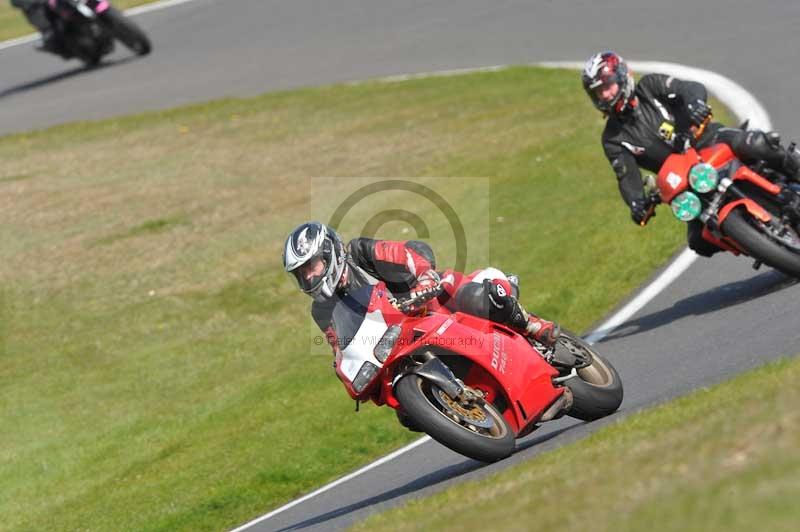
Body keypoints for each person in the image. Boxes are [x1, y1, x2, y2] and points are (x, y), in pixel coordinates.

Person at [582, 50, 800, 256]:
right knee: (698, 241)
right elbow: (625, 175)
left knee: (758, 144)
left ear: (623, 76)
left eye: (607, 86)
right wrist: (637, 204)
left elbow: (690, 88)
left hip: (709, 140)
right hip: (685, 180)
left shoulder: (649, 86)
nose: (605, 95)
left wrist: (696, 105)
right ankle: (758, 243)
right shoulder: (612, 138)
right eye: (598, 92)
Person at [282, 221, 560, 351]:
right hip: (400, 342)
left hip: (433, 302)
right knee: (406, 413)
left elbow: (410, 257)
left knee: (478, 298)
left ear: (329, 252)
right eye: (301, 274)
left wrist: (424, 283)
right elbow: (341, 349)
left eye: (311, 266)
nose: (309, 277)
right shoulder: (322, 311)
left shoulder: (361, 251)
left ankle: (534, 325)